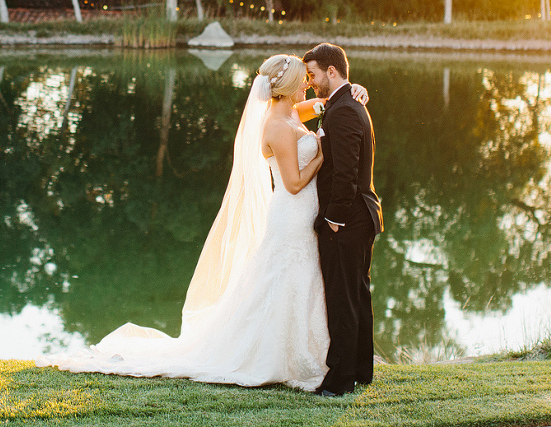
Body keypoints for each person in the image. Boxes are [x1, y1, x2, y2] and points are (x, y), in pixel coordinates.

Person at [37, 54, 367, 391]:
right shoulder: (277, 126)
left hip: (303, 213)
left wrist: (354, 89)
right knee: (286, 281)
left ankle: (311, 353)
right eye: (304, 80)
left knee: (303, 282)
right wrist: (323, 155)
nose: (308, 84)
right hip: (291, 213)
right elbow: (294, 184)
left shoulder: (294, 113)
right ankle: (276, 356)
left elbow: (327, 102)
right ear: (289, 86)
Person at [302, 42, 382, 397]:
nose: (311, 81)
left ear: (331, 71)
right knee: (357, 295)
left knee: (342, 299)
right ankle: (362, 369)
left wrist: (333, 219)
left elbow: (346, 173)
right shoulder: (345, 103)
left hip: (347, 220)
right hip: (360, 218)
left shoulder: (345, 110)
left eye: (313, 74)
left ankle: (339, 381)